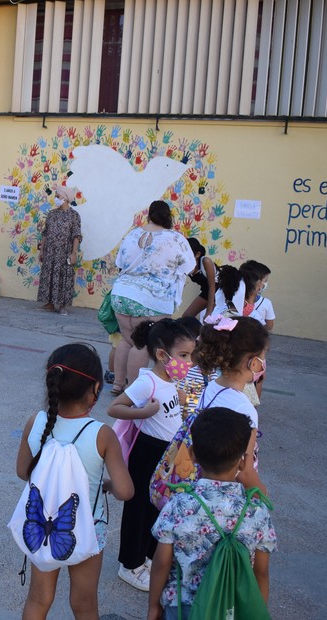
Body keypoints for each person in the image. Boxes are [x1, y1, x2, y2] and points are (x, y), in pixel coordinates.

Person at [15, 343, 134, 620]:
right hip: (88, 528)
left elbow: (22, 471)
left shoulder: (36, 422)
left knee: (38, 598)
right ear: (95, 388)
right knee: (84, 603)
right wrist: (106, 484)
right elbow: (125, 491)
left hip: (41, 523)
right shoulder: (101, 434)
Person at [148, 407, 277, 620]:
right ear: (243, 461)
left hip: (182, 609)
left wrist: (154, 605)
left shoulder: (178, 504)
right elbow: (261, 573)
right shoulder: (257, 511)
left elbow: (162, 562)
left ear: (192, 455)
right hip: (232, 610)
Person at [107, 318, 194, 592]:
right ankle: (130, 565)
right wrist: (143, 412)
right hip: (147, 452)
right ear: (162, 354)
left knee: (159, 507)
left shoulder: (172, 381)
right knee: (139, 509)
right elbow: (114, 408)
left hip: (168, 454)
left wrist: (181, 404)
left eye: (190, 355)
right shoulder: (148, 382)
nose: (189, 362)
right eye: (183, 355)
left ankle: (148, 557)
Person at [108, 200, 195, 391]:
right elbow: (189, 267)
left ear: (149, 215)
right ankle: (134, 392)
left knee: (127, 340)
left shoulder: (132, 234)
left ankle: (118, 384)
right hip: (151, 300)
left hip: (121, 294)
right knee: (142, 344)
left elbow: (120, 263)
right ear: (168, 216)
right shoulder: (175, 238)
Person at [193, 314, 268, 496]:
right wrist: (262, 496)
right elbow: (244, 471)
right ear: (253, 362)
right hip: (228, 493)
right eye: (264, 355)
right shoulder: (244, 408)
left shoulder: (213, 386)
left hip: (204, 481)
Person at [36, 186, 82, 315]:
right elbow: (45, 233)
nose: (56, 198)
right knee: (48, 275)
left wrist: (74, 253)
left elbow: (76, 236)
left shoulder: (74, 215)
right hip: (50, 252)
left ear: (66, 198)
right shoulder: (52, 214)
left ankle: (62, 306)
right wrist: (42, 250)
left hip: (64, 253)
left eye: (58, 196)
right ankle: (49, 304)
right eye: (55, 196)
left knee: (64, 277)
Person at [182, 238, 217, 319]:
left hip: (218, 290)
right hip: (206, 291)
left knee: (209, 320)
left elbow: (212, 287)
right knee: (186, 317)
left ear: (197, 254)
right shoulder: (185, 266)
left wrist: (208, 312)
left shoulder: (206, 261)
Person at [240, 261, 275, 331]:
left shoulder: (232, 301)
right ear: (257, 282)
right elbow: (269, 326)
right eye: (265, 281)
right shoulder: (266, 303)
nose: (264, 284)